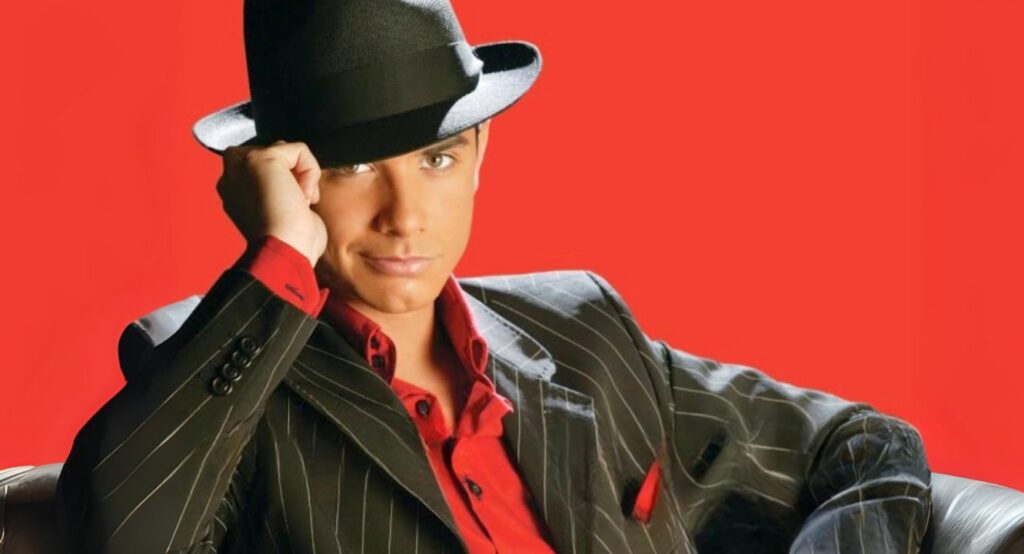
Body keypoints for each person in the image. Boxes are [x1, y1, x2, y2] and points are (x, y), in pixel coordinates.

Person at [53, 0, 932, 552]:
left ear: (479, 155)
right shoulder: (214, 377)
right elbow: (122, 538)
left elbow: (867, 447)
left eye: (436, 159)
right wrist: (278, 255)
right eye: (354, 167)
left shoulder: (583, 329)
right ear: (284, 176)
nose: (406, 215)